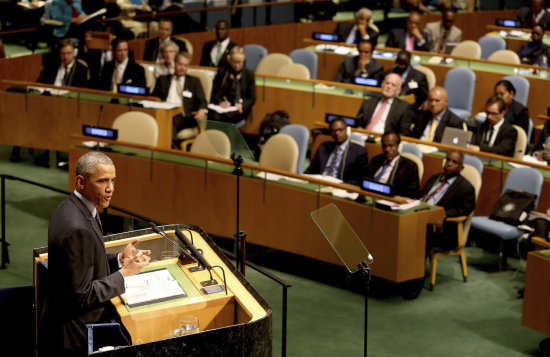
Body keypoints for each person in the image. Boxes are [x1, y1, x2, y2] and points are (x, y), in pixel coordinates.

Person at [40, 151, 151, 355]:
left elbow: (82, 266)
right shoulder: (77, 227)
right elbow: (81, 296)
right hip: (74, 336)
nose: (110, 189)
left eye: (113, 181)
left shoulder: (70, 208)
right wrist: (125, 273)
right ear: (81, 182)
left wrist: (119, 259)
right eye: (102, 181)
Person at [419, 150, 476, 251]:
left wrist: (443, 215)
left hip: (444, 229)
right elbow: (421, 196)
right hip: (420, 214)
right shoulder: (435, 178)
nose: (449, 164)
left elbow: (464, 210)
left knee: (417, 230)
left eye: (454, 162)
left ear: (461, 168)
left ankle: (415, 266)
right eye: (448, 160)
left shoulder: (466, 188)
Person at [152, 51, 207, 148]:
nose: (182, 68)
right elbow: (153, 98)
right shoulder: (162, 79)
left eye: (186, 65)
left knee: (170, 121)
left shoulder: (194, 82)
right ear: (174, 63)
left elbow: (203, 101)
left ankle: (171, 148)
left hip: (184, 116)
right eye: (180, 64)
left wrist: (202, 110)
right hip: (163, 113)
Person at [305, 117, 368, 186]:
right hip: (319, 184)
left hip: (340, 188)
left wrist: (343, 185)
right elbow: (311, 170)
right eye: (333, 131)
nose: (337, 133)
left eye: (340, 130)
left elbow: (359, 179)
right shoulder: (323, 147)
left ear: (346, 130)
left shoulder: (358, 151)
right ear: (330, 133)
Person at [208, 45, 256, 124]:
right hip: (223, 106)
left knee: (227, 117)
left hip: (239, 108)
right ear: (230, 60)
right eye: (234, 62)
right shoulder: (222, 72)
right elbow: (214, 92)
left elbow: (252, 97)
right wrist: (221, 102)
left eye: (239, 62)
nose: (236, 65)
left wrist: (242, 105)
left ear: (244, 61)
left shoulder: (249, 74)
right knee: (213, 116)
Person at [367, 132, 419, 198]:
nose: (387, 149)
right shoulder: (376, 160)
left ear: (398, 145)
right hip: (370, 195)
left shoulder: (410, 167)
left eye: (391, 146)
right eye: (384, 146)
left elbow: (411, 194)